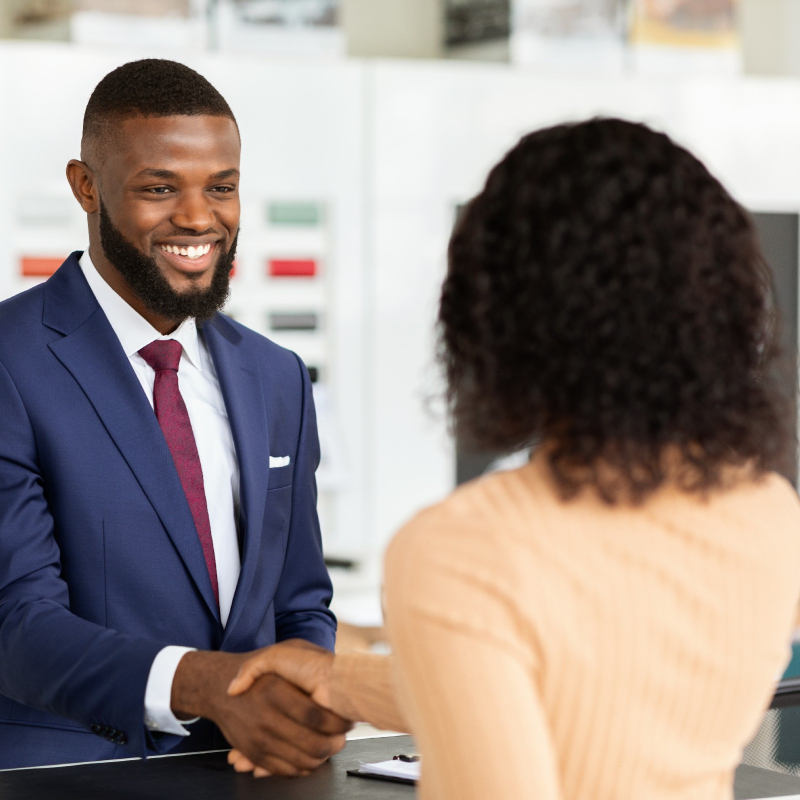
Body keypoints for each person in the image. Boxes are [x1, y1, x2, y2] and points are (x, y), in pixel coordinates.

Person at [226, 119, 800, 799]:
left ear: (493, 309)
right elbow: (594, 688)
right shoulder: (765, 508)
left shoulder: (463, 547)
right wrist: (341, 681)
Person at [0, 59, 350, 771]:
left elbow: (300, 601)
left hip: (258, 774)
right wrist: (208, 687)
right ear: (86, 186)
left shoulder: (277, 376)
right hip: (69, 777)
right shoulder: (10, 362)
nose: (197, 218)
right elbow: (18, 627)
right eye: (159, 188)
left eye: (221, 188)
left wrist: (298, 696)